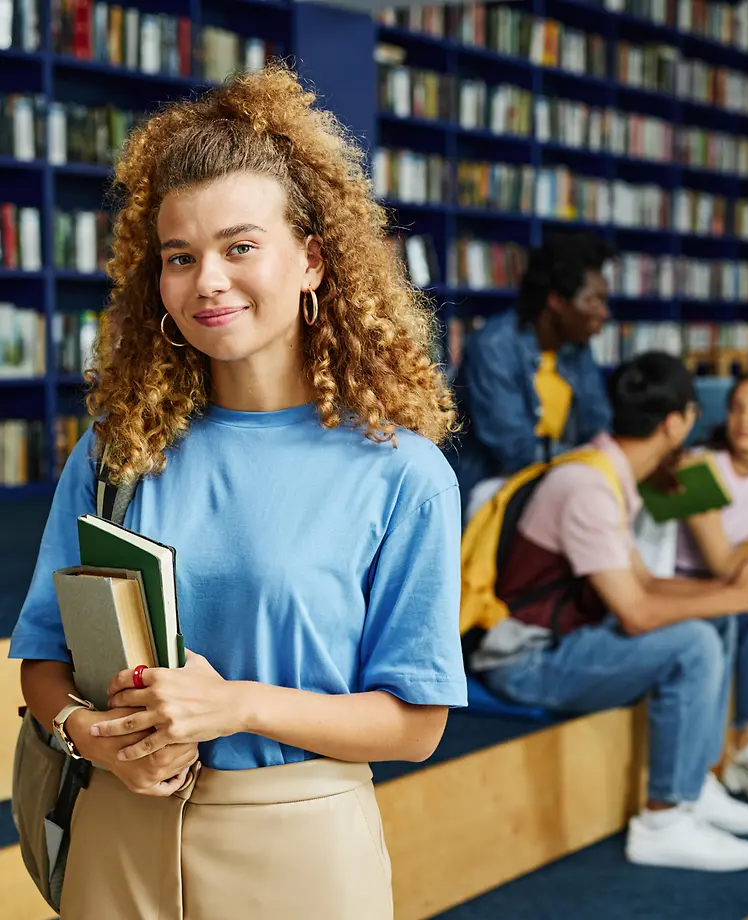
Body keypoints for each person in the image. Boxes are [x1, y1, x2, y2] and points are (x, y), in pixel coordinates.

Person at [8, 65, 467, 920]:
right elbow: (43, 662)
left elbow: (416, 725)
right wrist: (95, 741)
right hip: (118, 831)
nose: (207, 281)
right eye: (180, 257)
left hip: (296, 845)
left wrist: (236, 706)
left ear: (312, 261)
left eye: (239, 247)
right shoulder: (117, 453)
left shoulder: (401, 473)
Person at [469, 352, 748, 872]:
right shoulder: (589, 486)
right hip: (525, 658)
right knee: (694, 641)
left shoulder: (605, 468)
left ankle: (697, 784)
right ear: (675, 424)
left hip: (567, 636)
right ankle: (664, 820)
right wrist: (741, 595)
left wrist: (729, 594)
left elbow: (646, 582)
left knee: (714, 621)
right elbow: (635, 613)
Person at [450, 232, 614, 520]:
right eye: (594, 301)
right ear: (556, 301)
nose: (604, 312)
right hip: (494, 482)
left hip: (557, 476)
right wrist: (589, 461)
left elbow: (597, 424)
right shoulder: (494, 346)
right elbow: (515, 450)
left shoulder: (577, 349)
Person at [675, 373, 748, 803]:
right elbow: (722, 562)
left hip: (732, 585)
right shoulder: (698, 465)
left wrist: (747, 557)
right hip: (681, 581)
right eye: (736, 408)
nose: (743, 421)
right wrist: (747, 554)